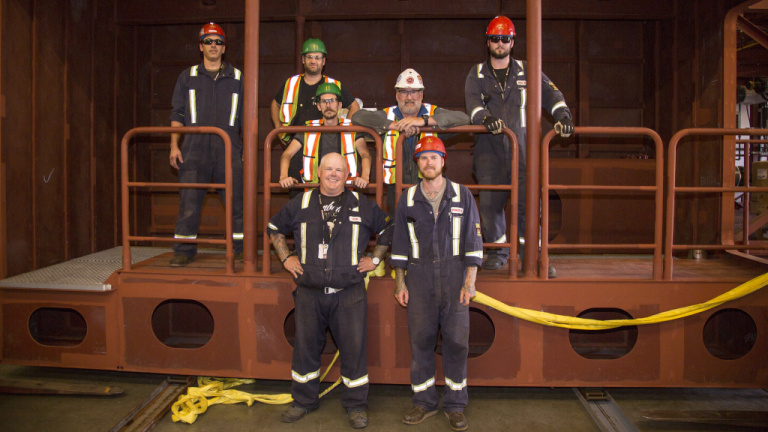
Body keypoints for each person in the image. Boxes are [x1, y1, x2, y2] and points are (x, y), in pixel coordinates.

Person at [268, 153, 394, 429]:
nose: (333, 174)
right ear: (318, 171)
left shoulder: (361, 204)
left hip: (349, 292)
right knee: (305, 349)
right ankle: (303, 400)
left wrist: (374, 259)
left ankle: (356, 405)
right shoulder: (300, 203)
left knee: (354, 349)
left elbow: (389, 227)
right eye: (328, 169)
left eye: (339, 170)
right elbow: (274, 227)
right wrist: (286, 257)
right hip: (309, 291)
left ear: (347, 173)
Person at [464, 16, 574, 276]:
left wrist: (564, 116)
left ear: (513, 41)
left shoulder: (529, 71)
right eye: (495, 38)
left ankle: (530, 258)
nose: (499, 43)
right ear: (488, 41)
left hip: (524, 151)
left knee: (528, 205)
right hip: (488, 151)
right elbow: (473, 105)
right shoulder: (476, 73)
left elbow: (552, 95)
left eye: (505, 39)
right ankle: (497, 252)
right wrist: (484, 118)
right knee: (490, 205)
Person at [391, 137, 483, 431]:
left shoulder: (462, 195)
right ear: (417, 163)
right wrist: (400, 284)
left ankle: (455, 405)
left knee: (456, 343)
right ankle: (424, 402)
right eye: (423, 158)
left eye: (434, 157)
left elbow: (473, 242)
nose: (429, 162)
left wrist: (469, 283)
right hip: (418, 281)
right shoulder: (406, 198)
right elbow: (400, 246)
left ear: (444, 161)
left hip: (455, 278)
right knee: (420, 344)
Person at [169, 22, 244, 267]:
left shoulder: (238, 78)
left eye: (218, 42)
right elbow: (177, 114)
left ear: (224, 48)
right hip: (193, 146)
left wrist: (244, 151)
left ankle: (240, 249)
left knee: (236, 201)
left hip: (229, 146)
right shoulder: (187, 77)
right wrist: (174, 146)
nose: (213, 45)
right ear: (201, 46)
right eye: (208, 41)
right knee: (189, 201)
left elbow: (247, 117)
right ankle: (183, 251)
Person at [351, 68, 469, 215]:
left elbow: (463, 118)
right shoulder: (387, 114)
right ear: (396, 95)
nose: (409, 97)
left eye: (413, 92)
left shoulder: (432, 112)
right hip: (396, 191)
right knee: (399, 232)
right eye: (404, 92)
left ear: (421, 94)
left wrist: (423, 121)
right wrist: (395, 125)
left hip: (429, 185)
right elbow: (357, 117)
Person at [272, 38, 361, 198]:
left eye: (317, 57)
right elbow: (275, 104)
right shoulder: (291, 83)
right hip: (298, 148)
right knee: (299, 199)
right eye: (310, 57)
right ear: (303, 60)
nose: (313, 61)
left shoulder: (334, 84)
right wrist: (279, 130)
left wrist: (343, 128)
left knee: (331, 197)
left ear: (324, 61)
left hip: (327, 147)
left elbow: (354, 106)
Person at [279, 83, 372, 190]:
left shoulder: (352, 128)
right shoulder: (309, 128)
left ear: (339, 105)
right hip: (314, 191)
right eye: (324, 101)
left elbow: (365, 154)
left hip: (345, 191)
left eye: (332, 100)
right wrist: (284, 176)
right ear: (318, 106)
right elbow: (287, 154)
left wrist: (365, 177)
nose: (328, 105)